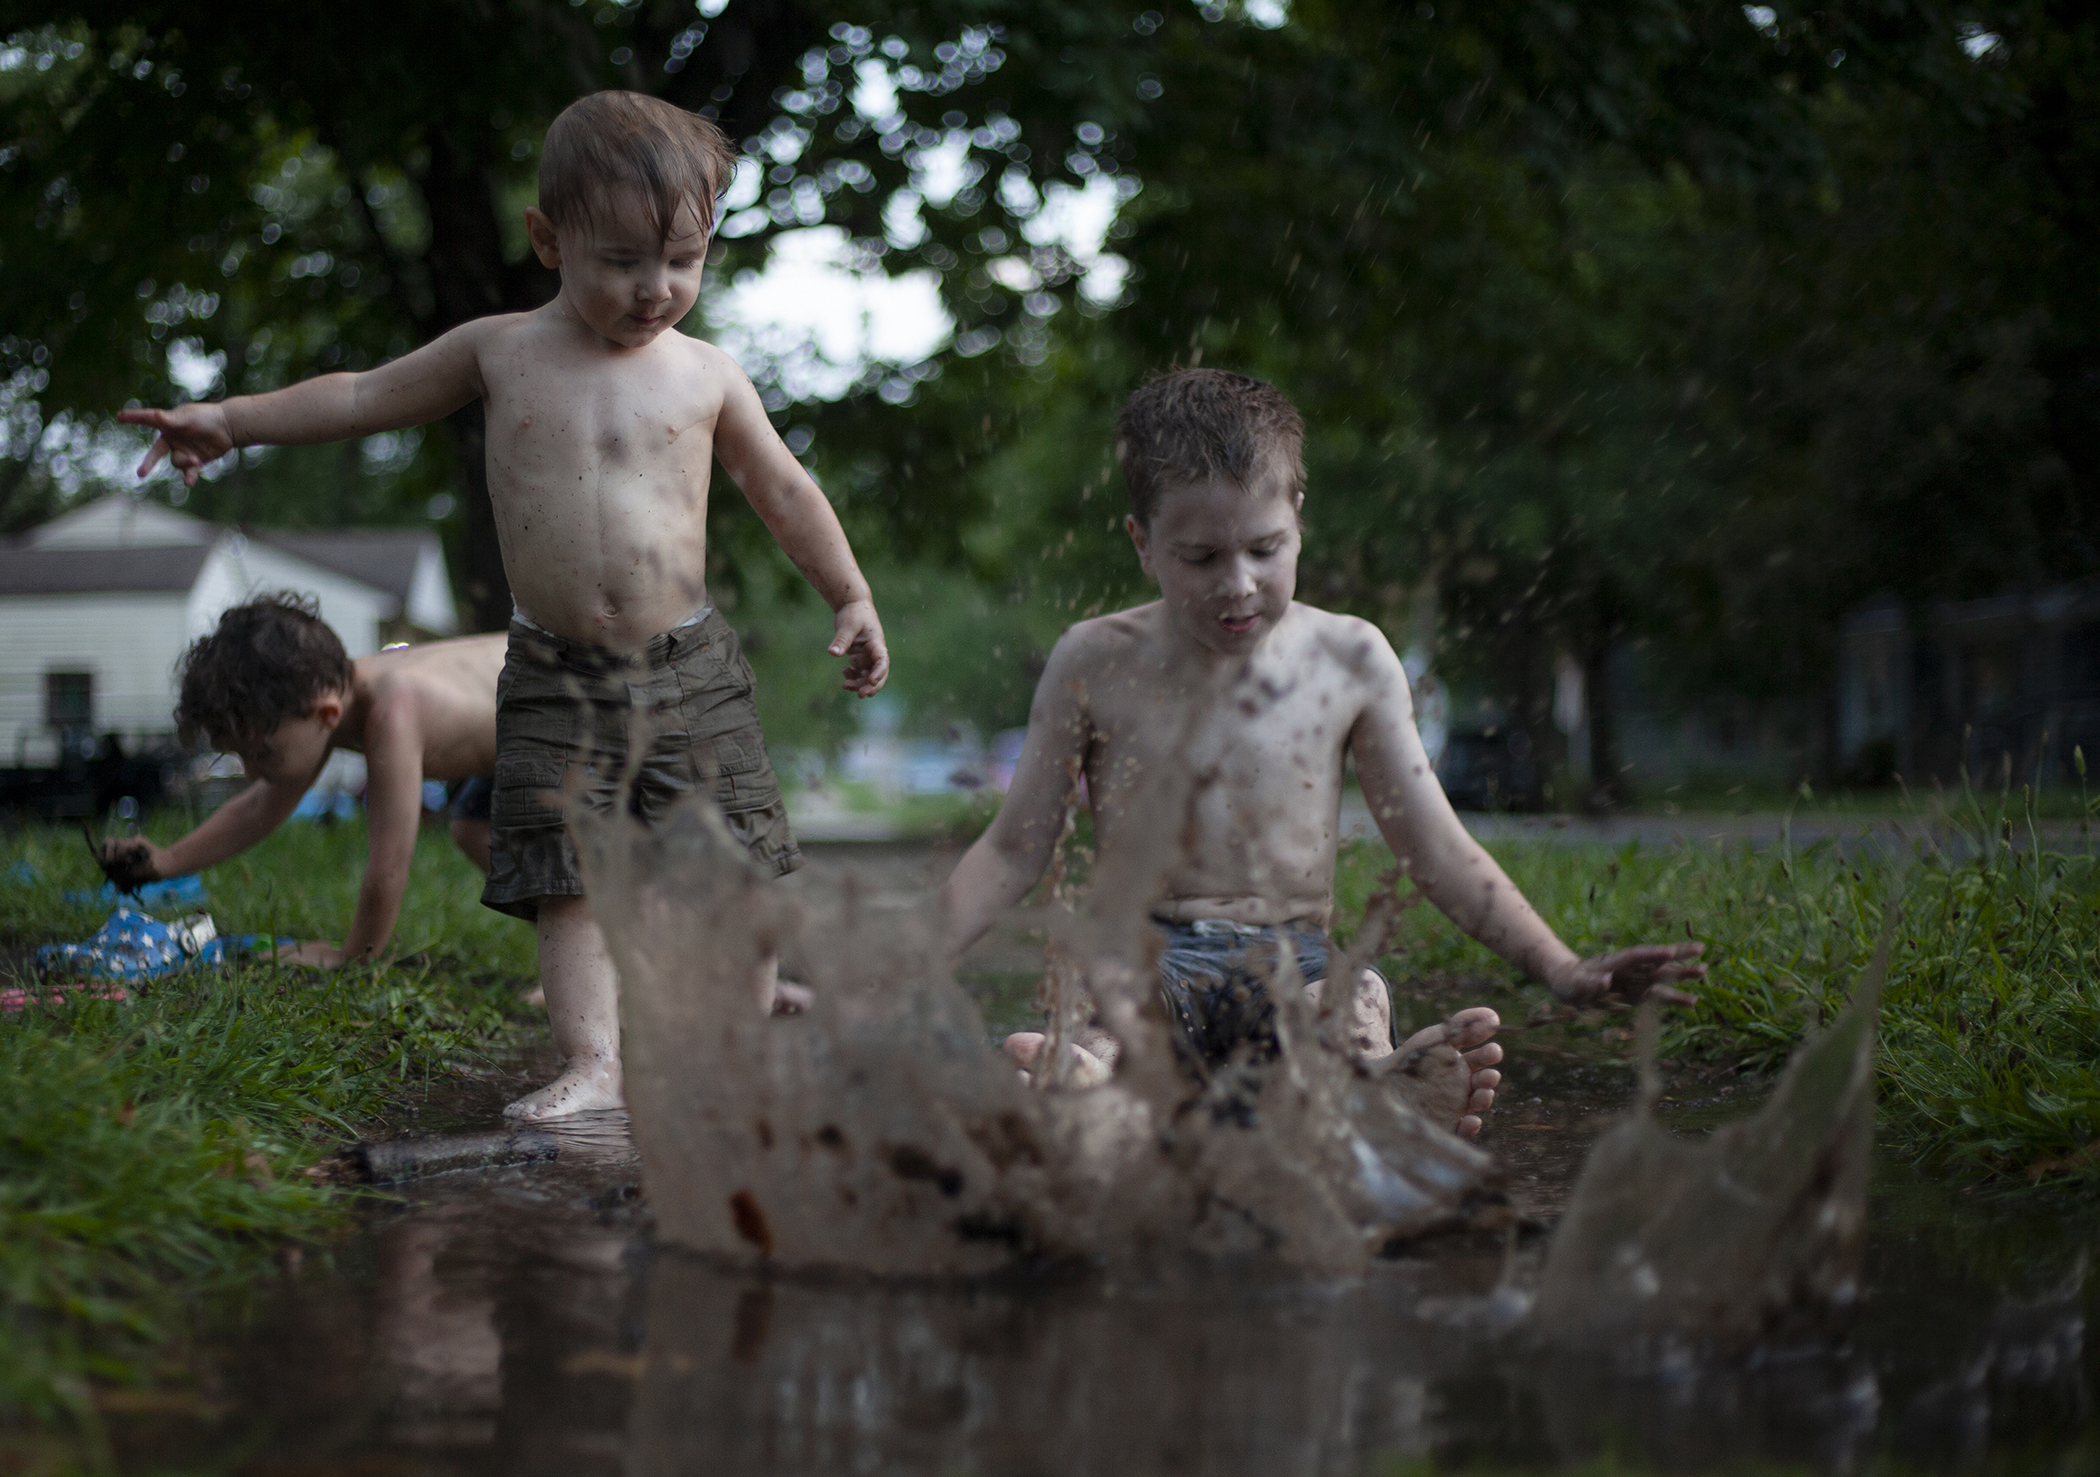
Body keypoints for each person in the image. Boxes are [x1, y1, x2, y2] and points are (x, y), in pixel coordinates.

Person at [120, 92, 888, 1122]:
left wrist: (850, 591)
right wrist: (231, 420)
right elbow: (357, 396)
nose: (655, 290)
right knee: (562, 879)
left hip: (688, 662)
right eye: (621, 261)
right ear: (547, 239)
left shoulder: (708, 376)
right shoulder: (501, 351)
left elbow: (785, 489)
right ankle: (593, 1059)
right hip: (556, 670)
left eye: (683, 262)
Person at [940, 369, 1705, 1137]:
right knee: (1099, 1003)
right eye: (1201, 558)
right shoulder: (1095, 660)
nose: (1238, 585)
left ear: (1298, 518)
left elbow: (1435, 847)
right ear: (1143, 542)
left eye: (1264, 549)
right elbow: (1012, 848)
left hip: (1291, 958)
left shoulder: (1350, 660)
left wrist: (1562, 967)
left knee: (1351, 1003)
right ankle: (1091, 1092)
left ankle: (1371, 1092)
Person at [98, 594, 502, 968]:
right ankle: (562, 955)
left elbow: (389, 865)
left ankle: (564, 965)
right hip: (515, 721)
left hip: (552, 710)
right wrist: (167, 861)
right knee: (474, 828)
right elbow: (257, 807)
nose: (252, 772)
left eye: (260, 754)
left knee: (547, 853)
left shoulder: (394, 713)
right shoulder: (320, 700)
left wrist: (352, 955)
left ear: (324, 715)